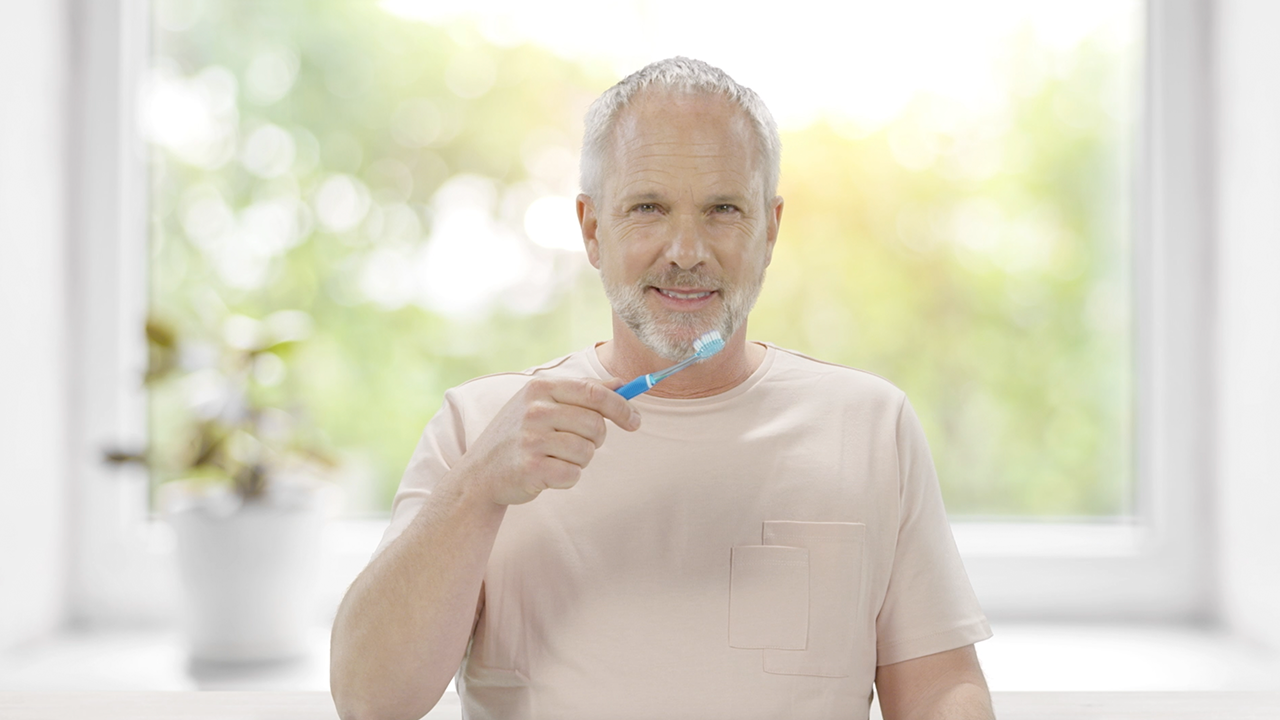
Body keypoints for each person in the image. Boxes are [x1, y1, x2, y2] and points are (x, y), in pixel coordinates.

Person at [330, 57, 995, 720]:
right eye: (649, 207)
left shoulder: (871, 426)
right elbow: (369, 699)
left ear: (770, 229)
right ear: (592, 228)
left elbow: (939, 690)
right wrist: (475, 490)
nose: (685, 249)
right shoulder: (480, 426)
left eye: (723, 210)